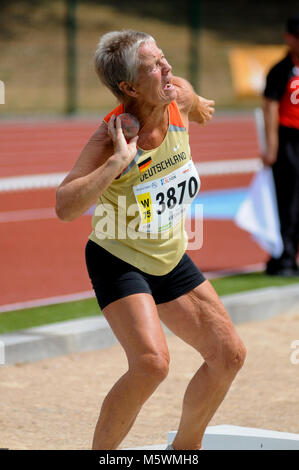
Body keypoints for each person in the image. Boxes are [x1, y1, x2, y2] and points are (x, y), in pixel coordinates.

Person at [55, 30, 246, 450]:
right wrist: (118, 163)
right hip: (118, 256)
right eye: (154, 66)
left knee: (229, 355)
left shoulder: (174, 95)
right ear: (128, 87)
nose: (168, 69)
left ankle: (184, 451)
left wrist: (201, 106)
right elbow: (65, 206)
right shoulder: (113, 136)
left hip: (169, 254)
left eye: (164, 58)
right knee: (151, 364)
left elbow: (190, 97)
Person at [262, 14, 299, 276]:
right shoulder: (281, 70)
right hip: (288, 141)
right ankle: (283, 256)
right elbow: (270, 107)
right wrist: (272, 146)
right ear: (289, 38)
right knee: (288, 201)